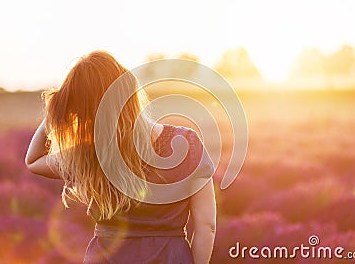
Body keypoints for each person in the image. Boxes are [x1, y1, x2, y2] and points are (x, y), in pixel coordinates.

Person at [25, 50, 216, 264]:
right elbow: (207, 226)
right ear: (130, 90)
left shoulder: (90, 155)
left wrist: (56, 110)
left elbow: (33, 161)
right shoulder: (188, 144)